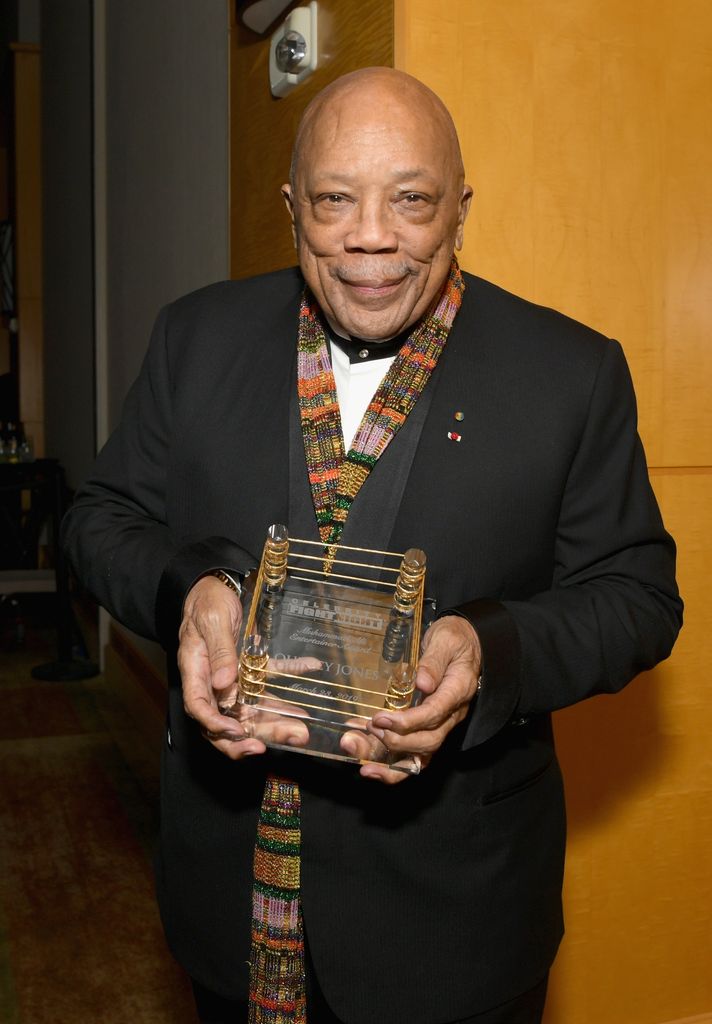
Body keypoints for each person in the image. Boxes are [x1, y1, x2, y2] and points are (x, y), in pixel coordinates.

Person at [63, 68, 682, 1024]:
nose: (371, 238)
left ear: (460, 209)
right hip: (227, 898)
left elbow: (639, 594)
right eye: (334, 200)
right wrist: (190, 588)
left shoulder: (574, 372)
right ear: (292, 207)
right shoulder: (196, 338)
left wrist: (488, 654)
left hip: (457, 920)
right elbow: (97, 519)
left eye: (412, 201)